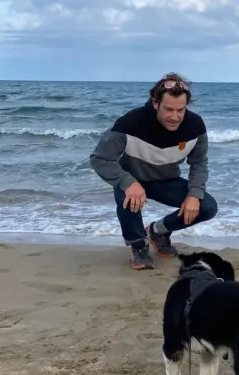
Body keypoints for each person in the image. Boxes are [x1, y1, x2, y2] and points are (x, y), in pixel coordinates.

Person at [90, 73, 218, 270]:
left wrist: (194, 194)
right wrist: (129, 183)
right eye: (168, 109)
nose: (174, 117)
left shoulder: (195, 126)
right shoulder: (129, 124)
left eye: (180, 110)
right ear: (155, 103)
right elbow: (100, 159)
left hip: (165, 181)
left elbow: (199, 162)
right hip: (132, 181)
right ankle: (138, 246)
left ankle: (158, 232)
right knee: (127, 195)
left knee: (207, 206)